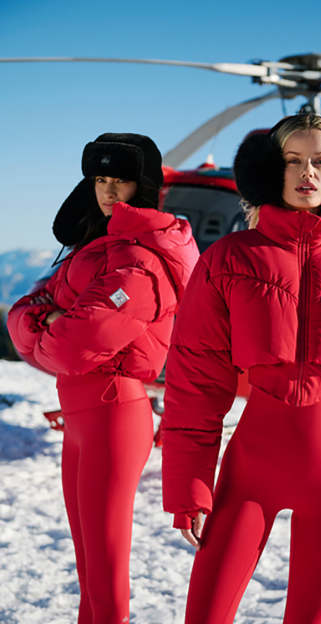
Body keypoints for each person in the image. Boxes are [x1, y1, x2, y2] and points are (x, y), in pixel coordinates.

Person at [161, 114, 321, 623]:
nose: (307, 173)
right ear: (270, 170)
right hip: (252, 469)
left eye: (320, 161)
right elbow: (196, 383)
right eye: (293, 160)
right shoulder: (227, 261)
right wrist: (189, 485)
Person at [7, 132, 199, 624]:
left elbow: (75, 344)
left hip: (114, 415)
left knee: (106, 570)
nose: (109, 190)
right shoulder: (94, 246)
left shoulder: (140, 260)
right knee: (89, 570)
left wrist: (49, 321)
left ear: (145, 186)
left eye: (121, 181)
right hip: (83, 419)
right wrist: (48, 320)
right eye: (100, 179)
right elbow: (23, 311)